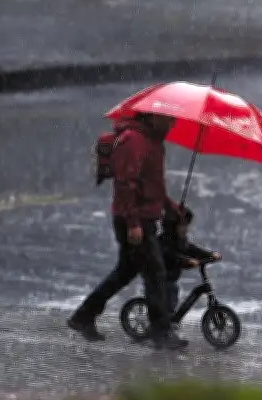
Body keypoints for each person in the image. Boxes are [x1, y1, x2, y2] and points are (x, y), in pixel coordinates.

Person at [67, 111, 190, 350]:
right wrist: (133, 223)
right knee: (155, 274)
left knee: (125, 271)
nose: (173, 124)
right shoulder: (133, 141)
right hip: (135, 221)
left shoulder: (153, 142)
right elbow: (125, 184)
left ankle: (83, 316)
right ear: (153, 118)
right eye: (169, 119)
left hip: (143, 219)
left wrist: (171, 208)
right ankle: (161, 332)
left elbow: (153, 186)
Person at [158, 212, 222, 325]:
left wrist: (210, 254)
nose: (185, 229)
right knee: (169, 298)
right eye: (182, 226)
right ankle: (163, 331)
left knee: (172, 294)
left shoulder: (180, 240)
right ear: (173, 227)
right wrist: (186, 261)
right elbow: (170, 255)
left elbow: (192, 249)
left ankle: (170, 323)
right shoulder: (164, 241)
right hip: (159, 276)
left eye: (186, 226)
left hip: (170, 276)